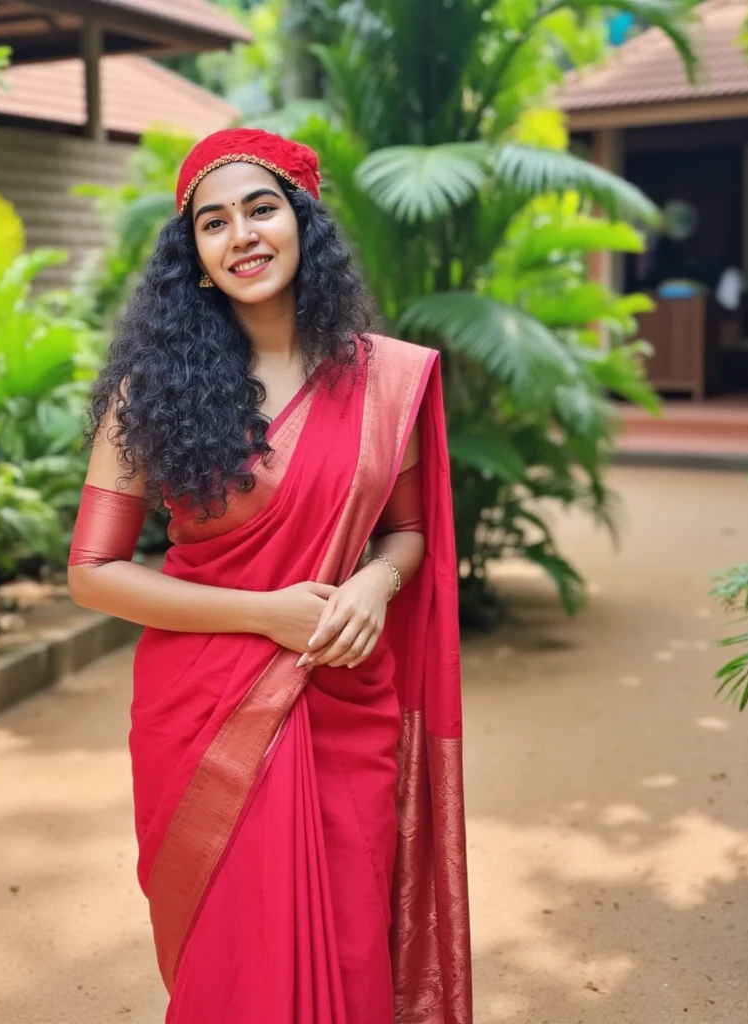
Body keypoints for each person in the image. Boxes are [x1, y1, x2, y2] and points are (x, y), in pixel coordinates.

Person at [67, 127, 471, 1024]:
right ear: (197, 259)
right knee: (236, 965)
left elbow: (407, 535)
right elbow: (93, 574)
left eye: (261, 208)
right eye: (213, 223)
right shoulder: (152, 391)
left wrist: (374, 585)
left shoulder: (383, 381)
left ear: (303, 223)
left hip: (344, 695)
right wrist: (264, 615)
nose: (242, 235)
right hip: (204, 703)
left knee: (355, 940)